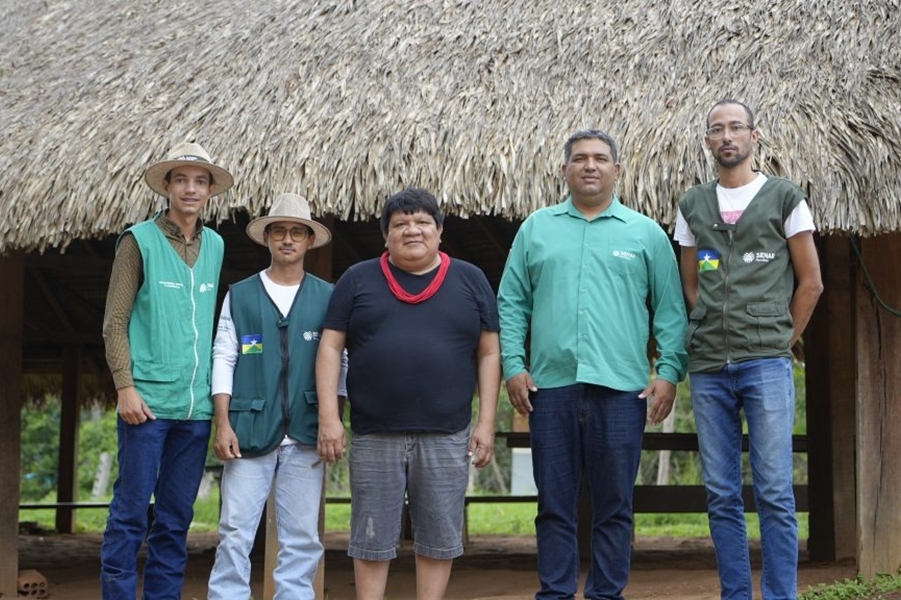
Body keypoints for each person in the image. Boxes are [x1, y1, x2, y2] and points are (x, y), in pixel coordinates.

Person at [497, 129, 688, 600]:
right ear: (564, 171)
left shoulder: (644, 234)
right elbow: (511, 303)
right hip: (550, 388)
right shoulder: (536, 229)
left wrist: (667, 373)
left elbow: (669, 311)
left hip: (622, 390)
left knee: (616, 506)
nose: (590, 165)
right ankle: (556, 593)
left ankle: (607, 593)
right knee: (554, 505)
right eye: (579, 158)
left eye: (601, 158)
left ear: (617, 170)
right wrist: (513, 365)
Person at [316, 187, 501, 600]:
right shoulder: (357, 279)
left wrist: (486, 423)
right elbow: (330, 347)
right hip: (373, 431)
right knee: (371, 534)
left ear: (439, 231)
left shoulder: (470, 280)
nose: (411, 230)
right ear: (385, 235)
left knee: (438, 533)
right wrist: (330, 417)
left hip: (447, 431)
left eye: (421, 222)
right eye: (400, 224)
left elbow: (489, 353)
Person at [674, 100, 823, 600]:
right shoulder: (692, 203)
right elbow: (692, 284)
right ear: (707, 142)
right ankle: (735, 594)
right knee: (720, 493)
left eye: (736, 127)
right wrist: (713, 328)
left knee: (775, 491)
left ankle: (782, 595)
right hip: (710, 367)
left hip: (766, 364)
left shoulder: (784, 197)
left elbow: (811, 284)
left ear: (754, 136)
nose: (727, 136)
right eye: (717, 129)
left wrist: (782, 339)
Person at [100, 141, 234, 599]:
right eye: (182, 180)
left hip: (195, 408)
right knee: (131, 512)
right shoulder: (138, 241)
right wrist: (125, 386)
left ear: (210, 190)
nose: (191, 189)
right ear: (168, 186)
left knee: (176, 519)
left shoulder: (216, 244)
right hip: (147, 404)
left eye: (200, 181)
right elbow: (115, 322)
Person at [206, 192, 344, 599]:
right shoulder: (242, 293)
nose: (287, 239)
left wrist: (332, 418)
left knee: (302, 537)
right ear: (267, 238)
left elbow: (343, 361)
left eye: (296, 232)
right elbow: (224, 356)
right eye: (279, 231)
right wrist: (223, 421)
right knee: (234, 530)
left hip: (306, 430)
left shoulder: (329, 296)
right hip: (248, 428)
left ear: (308, 241)